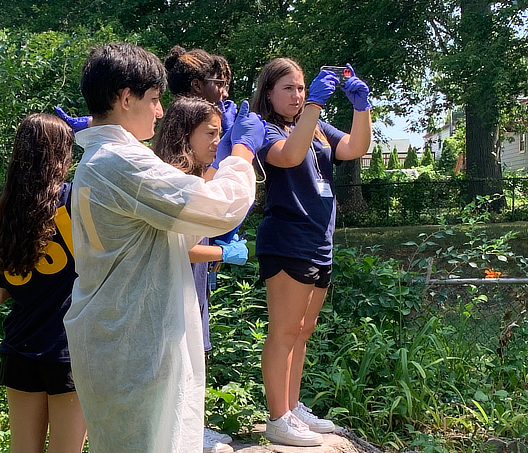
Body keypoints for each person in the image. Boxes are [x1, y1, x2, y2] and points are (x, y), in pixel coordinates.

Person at [63, 42, 261, 453]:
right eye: (154, 100)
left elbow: (173, 231)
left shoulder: (106, 157)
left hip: (123, 336)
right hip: (134, 343)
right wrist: (241, 153)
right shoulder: (121, 162)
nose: (159, 111)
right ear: (125, 98)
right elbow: (221, 208)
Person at [249, 58, 372, 446]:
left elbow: (354, 148)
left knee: (303, 332)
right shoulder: (263, 128)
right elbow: (289, 155)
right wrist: (316, 105)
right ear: (268, 91)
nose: (298, 95)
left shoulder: (314, 125)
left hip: (320, 241)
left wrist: (361, 108)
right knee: (283, 332)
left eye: (302, 88)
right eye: (289, 88)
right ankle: (277, 417)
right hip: (288, 240)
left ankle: (292, 404)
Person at [0, 113, 87, 453]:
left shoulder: (5, 210)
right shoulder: (74, 200)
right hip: (67, 349)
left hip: (20, 347)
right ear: (63, 154)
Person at [153, 96, 249, 453]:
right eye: (210, 133)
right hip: (171, 293)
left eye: (220, 133)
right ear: (183, 133)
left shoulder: (192, 174)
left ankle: (191, 433)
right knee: (175, 370)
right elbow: (178, 247)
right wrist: (222, 251)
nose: (216, 141)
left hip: (193, 287)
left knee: (193, 363)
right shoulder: (172, 177)